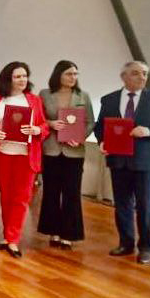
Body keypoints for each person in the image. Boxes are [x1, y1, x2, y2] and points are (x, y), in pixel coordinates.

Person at [95, 61, 150, 265]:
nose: (142, 77)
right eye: (136, 73)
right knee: (122, 204)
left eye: (145, 73)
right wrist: (102, 141)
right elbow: (100, 126)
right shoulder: (109, 99)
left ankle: (147, 247)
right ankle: (126, 243)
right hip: (118, 160)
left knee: (145, 205)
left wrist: (149, 131)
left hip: (145, 161)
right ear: (123, 76)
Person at [0, 61, 49, 258]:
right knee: (6, 197)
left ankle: (13, 239)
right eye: (17, 76)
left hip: (25, 156)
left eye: (25, 76)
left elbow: (44, 126)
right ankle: (7, 235)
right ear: (7, 79)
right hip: (2, 153)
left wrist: (37, 130)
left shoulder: (34, 100)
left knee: (21, 198)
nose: (22, 80)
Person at [36, 60, 95, 250]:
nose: (73, 77)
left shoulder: (83, 96)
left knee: (72, 193)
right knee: (51, 192)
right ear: (59, 75)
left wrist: (80, 137)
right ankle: (52, 231)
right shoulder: (45, 94)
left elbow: (90, 122)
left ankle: (69, 234)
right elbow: (38, 118)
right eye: (69, 74)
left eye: (75, 74)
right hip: (51, 149)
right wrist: (50, 124)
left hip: (74, 152)